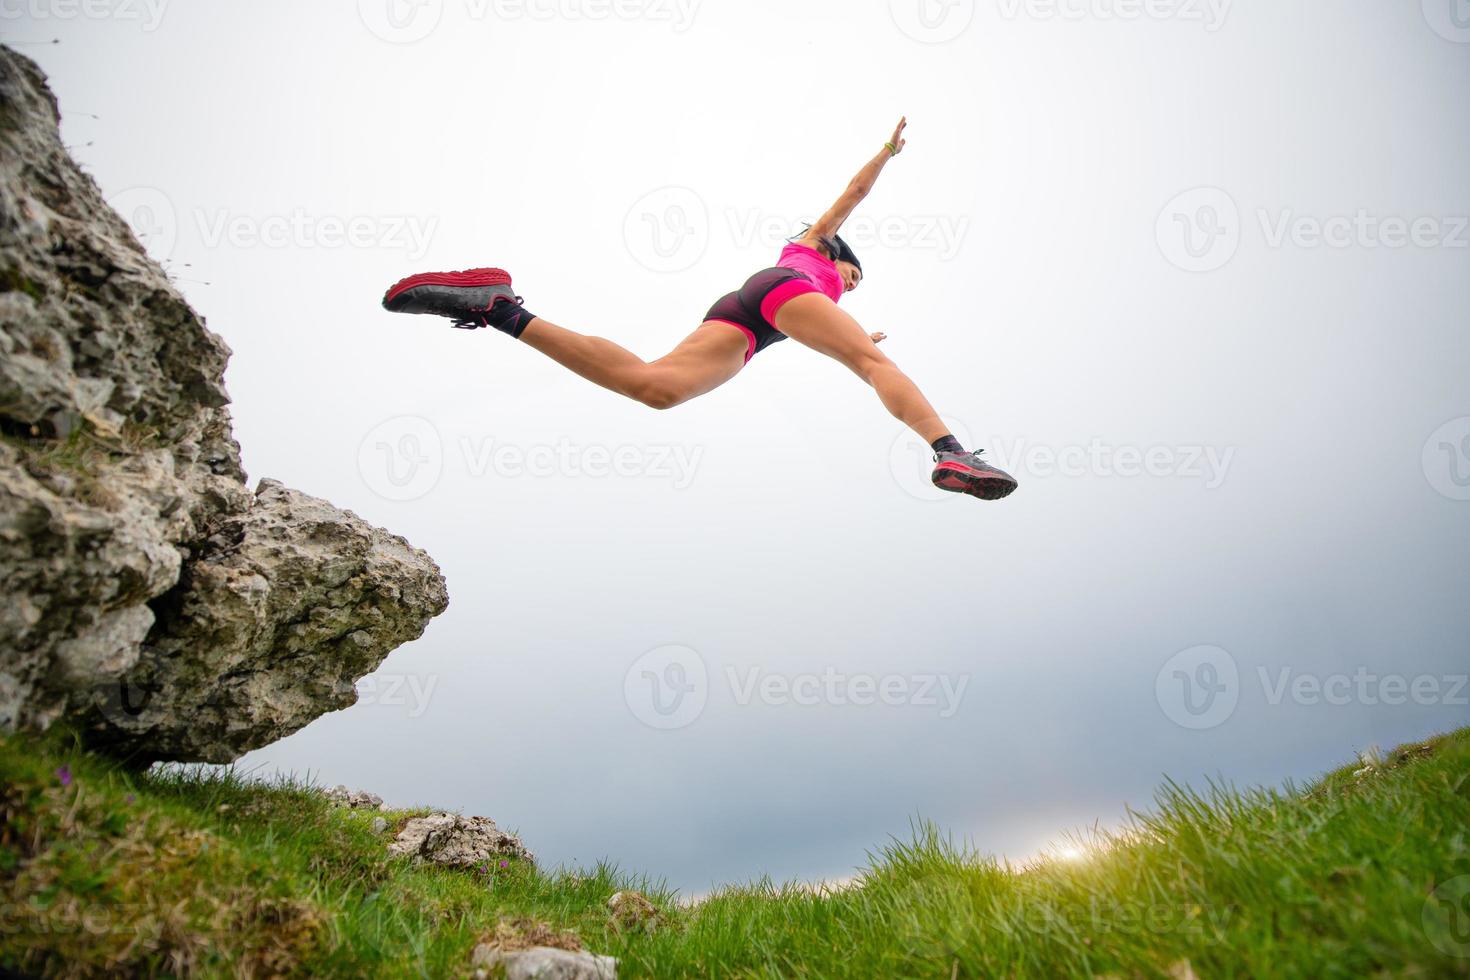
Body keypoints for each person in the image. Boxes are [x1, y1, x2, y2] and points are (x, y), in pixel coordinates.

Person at [382, 117, 1017, 500]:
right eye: (852, 279)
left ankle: (498, 308)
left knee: (657, 388)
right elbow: (850, 196)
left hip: (751, 320)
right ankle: (950, 450)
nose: (849, 288)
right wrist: (885, 154)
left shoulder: (815, 289)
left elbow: (809, 317)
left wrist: (843, 325)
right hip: (775, 298)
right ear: (839, 256)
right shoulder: (814, 247)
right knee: (873, 363)